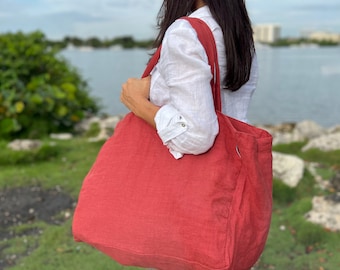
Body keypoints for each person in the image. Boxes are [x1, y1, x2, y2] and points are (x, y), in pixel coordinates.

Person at [120, 0, 258, 159]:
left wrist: (137, 101)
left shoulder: (185, 33)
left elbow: (198, 137)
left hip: (190, 173)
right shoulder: (239, 35)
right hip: (237, 160)